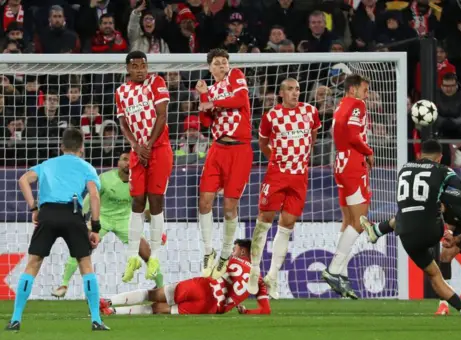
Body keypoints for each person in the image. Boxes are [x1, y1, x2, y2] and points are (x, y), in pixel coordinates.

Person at [369, 139, 461, 325]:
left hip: (406, 234)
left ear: (419, 155)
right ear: (440, 158)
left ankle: (377, 230)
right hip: (432, 230)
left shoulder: (404, 169)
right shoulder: (441, 170)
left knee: (434, 275)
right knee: (435, 208)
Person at [6, 128, 108, 331]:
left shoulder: (47, 164)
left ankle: (15, 319)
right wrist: (95, 227)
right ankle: (96, 320)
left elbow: (23, 180)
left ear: (61, 147)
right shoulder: (86, 167)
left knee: (33, 264)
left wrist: (34, 208)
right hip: (72, 212)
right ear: (82, 147)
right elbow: (94, 196)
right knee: (85, 265)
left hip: (48, 213)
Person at [360, 188, 461, 316]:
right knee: (445, 256)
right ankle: (444, 304)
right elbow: (452, 219)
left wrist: (456, 238)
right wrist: (450, 233)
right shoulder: (434, 204)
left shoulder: (456, 204)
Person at [51, 153, 165, 298]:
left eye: (131, 160)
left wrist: (159, 231)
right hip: (102, 218)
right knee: (81, 247)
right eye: (124, 159)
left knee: (146, 251)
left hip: (125, 221)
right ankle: (64, 284)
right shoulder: (105, 179)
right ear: (118, 163)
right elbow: (89, 199)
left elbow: (148, 210)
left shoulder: (139, 182)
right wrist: (79, 217)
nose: (127, 163)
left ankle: (161, 286)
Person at [246, 78, 321, 297]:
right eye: (290, 89)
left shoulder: (311, 112)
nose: (295, 93)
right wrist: (276, 161)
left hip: (299, 177)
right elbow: (262, 144)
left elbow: (313, 137)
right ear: (281, 93)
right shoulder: (271, 116)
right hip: (277, 175)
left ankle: (272, 276)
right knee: (264, 222)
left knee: (287, 225)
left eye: (297, 89)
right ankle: (254, 270)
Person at [100, 239, 271, 316]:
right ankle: (113, 312)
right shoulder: (259, 281)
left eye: (235, 249)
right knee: (159, 309)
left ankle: (108, 302)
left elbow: (211, 273)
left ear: (242, 252)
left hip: (202, 286)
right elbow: (265, 310)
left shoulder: (232, 260)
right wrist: (247, 311)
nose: (233, 251)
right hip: (210, 307)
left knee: (153, 294)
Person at [196, 48, 253, 279]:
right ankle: (208, 252)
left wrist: (212, 101)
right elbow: (205, 120)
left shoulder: (236, 77)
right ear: (210, 67)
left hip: (239, 149)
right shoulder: (210, 90)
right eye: (217, 63)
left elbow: (240, 100)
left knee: (230, 207)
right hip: (217, 148)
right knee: (204, 201)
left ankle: (226, 254)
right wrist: (203, 96)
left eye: (224, 62)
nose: (222, 66)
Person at [115, 50, 172, 283]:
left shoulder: (156, 81)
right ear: (128, 69)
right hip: (138, 151)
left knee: (155, 200)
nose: (141, 70)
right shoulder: (121, 92)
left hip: (159, 149)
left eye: (143, 65)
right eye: (136, 66)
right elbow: (123, 122)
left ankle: (155, 256)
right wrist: (136, 147)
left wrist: (147, 144)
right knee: (137, 201)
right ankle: (132, 257)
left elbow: (162, 115)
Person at [322, 74, 373, 300]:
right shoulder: (357, 104)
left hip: (340, 162)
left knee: (348, 221)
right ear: (353, 89)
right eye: (364, 89)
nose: (366, 94)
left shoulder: (341, 103)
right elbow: (353, 134)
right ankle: (333, 270)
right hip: (353, 163)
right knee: (360, 222)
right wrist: (368, 152)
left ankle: (341, 276)